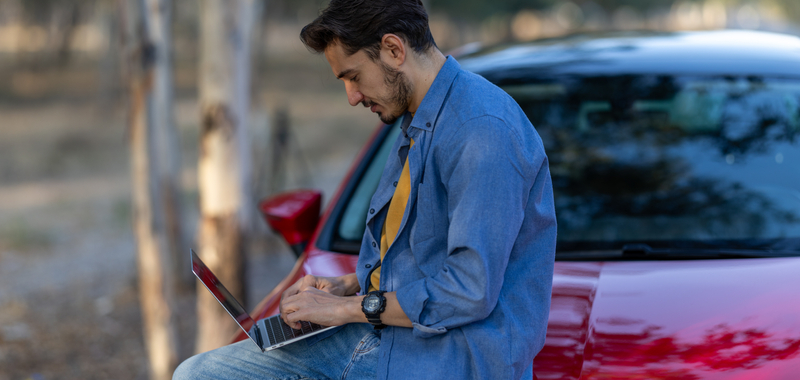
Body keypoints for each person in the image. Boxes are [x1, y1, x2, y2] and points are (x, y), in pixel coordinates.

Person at [173, 0, 556, 379]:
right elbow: (428, 252)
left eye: (353, 76)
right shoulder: (420, 120)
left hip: (445, 360)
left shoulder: (481, 130)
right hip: (399, 340)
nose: (352, 96)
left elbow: (469, 290)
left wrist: (349, 309)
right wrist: (349, 284)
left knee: (199, 375)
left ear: (393, 49)